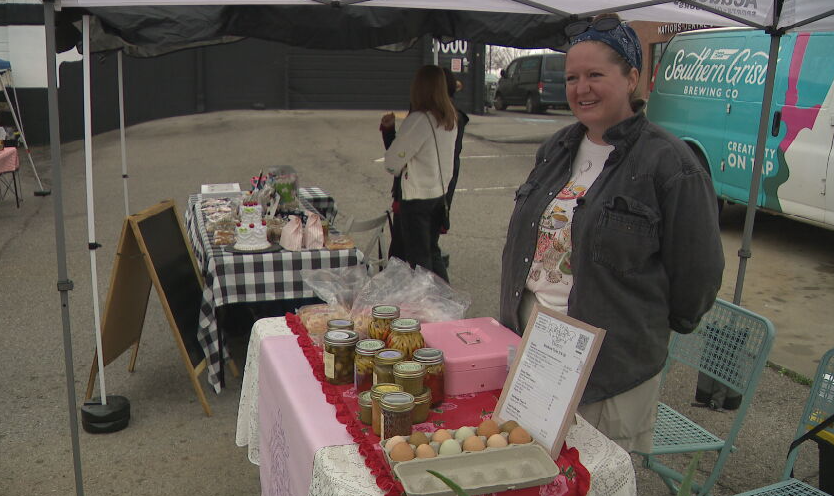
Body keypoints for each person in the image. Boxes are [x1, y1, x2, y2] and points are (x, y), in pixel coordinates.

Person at [498, 14, 724, 452]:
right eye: (572, 78)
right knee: (535, 464)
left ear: (632, 77)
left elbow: (698, 273)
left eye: (595, 75)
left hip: (611, 366)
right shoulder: (557, 147)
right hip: (535, 343)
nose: (581, 88)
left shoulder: (670, 164)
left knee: (598, 474)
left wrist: (643, 325)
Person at [380, 65, 457, 282]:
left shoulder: (420, 120)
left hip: (417, 199)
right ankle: (444, 302)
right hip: (438, 195)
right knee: (432, 252)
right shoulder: (449, 117)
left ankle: (428, 309)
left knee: (418, 261)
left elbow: (392, 163)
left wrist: (390, 134)